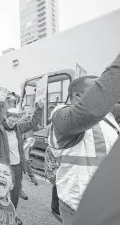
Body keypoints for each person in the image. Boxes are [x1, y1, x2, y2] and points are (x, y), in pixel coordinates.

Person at [48, 52, 120, 225]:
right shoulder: (61, 115)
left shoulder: (109, 115)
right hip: (79, 208)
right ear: (78, 97)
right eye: (95, 90)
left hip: (109, 205)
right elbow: (89, 111)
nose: (102, 95)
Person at [0, 104, 43, 224]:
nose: (13, 122)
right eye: (11, 119)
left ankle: (12, 215)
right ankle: (0, 216)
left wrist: (39, 108)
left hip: (17, 167)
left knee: (15, 193)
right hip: (5, 168)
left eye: (16, 119)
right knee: (3, 193)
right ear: (6, 117)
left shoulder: (19, 128)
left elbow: (32, 122)